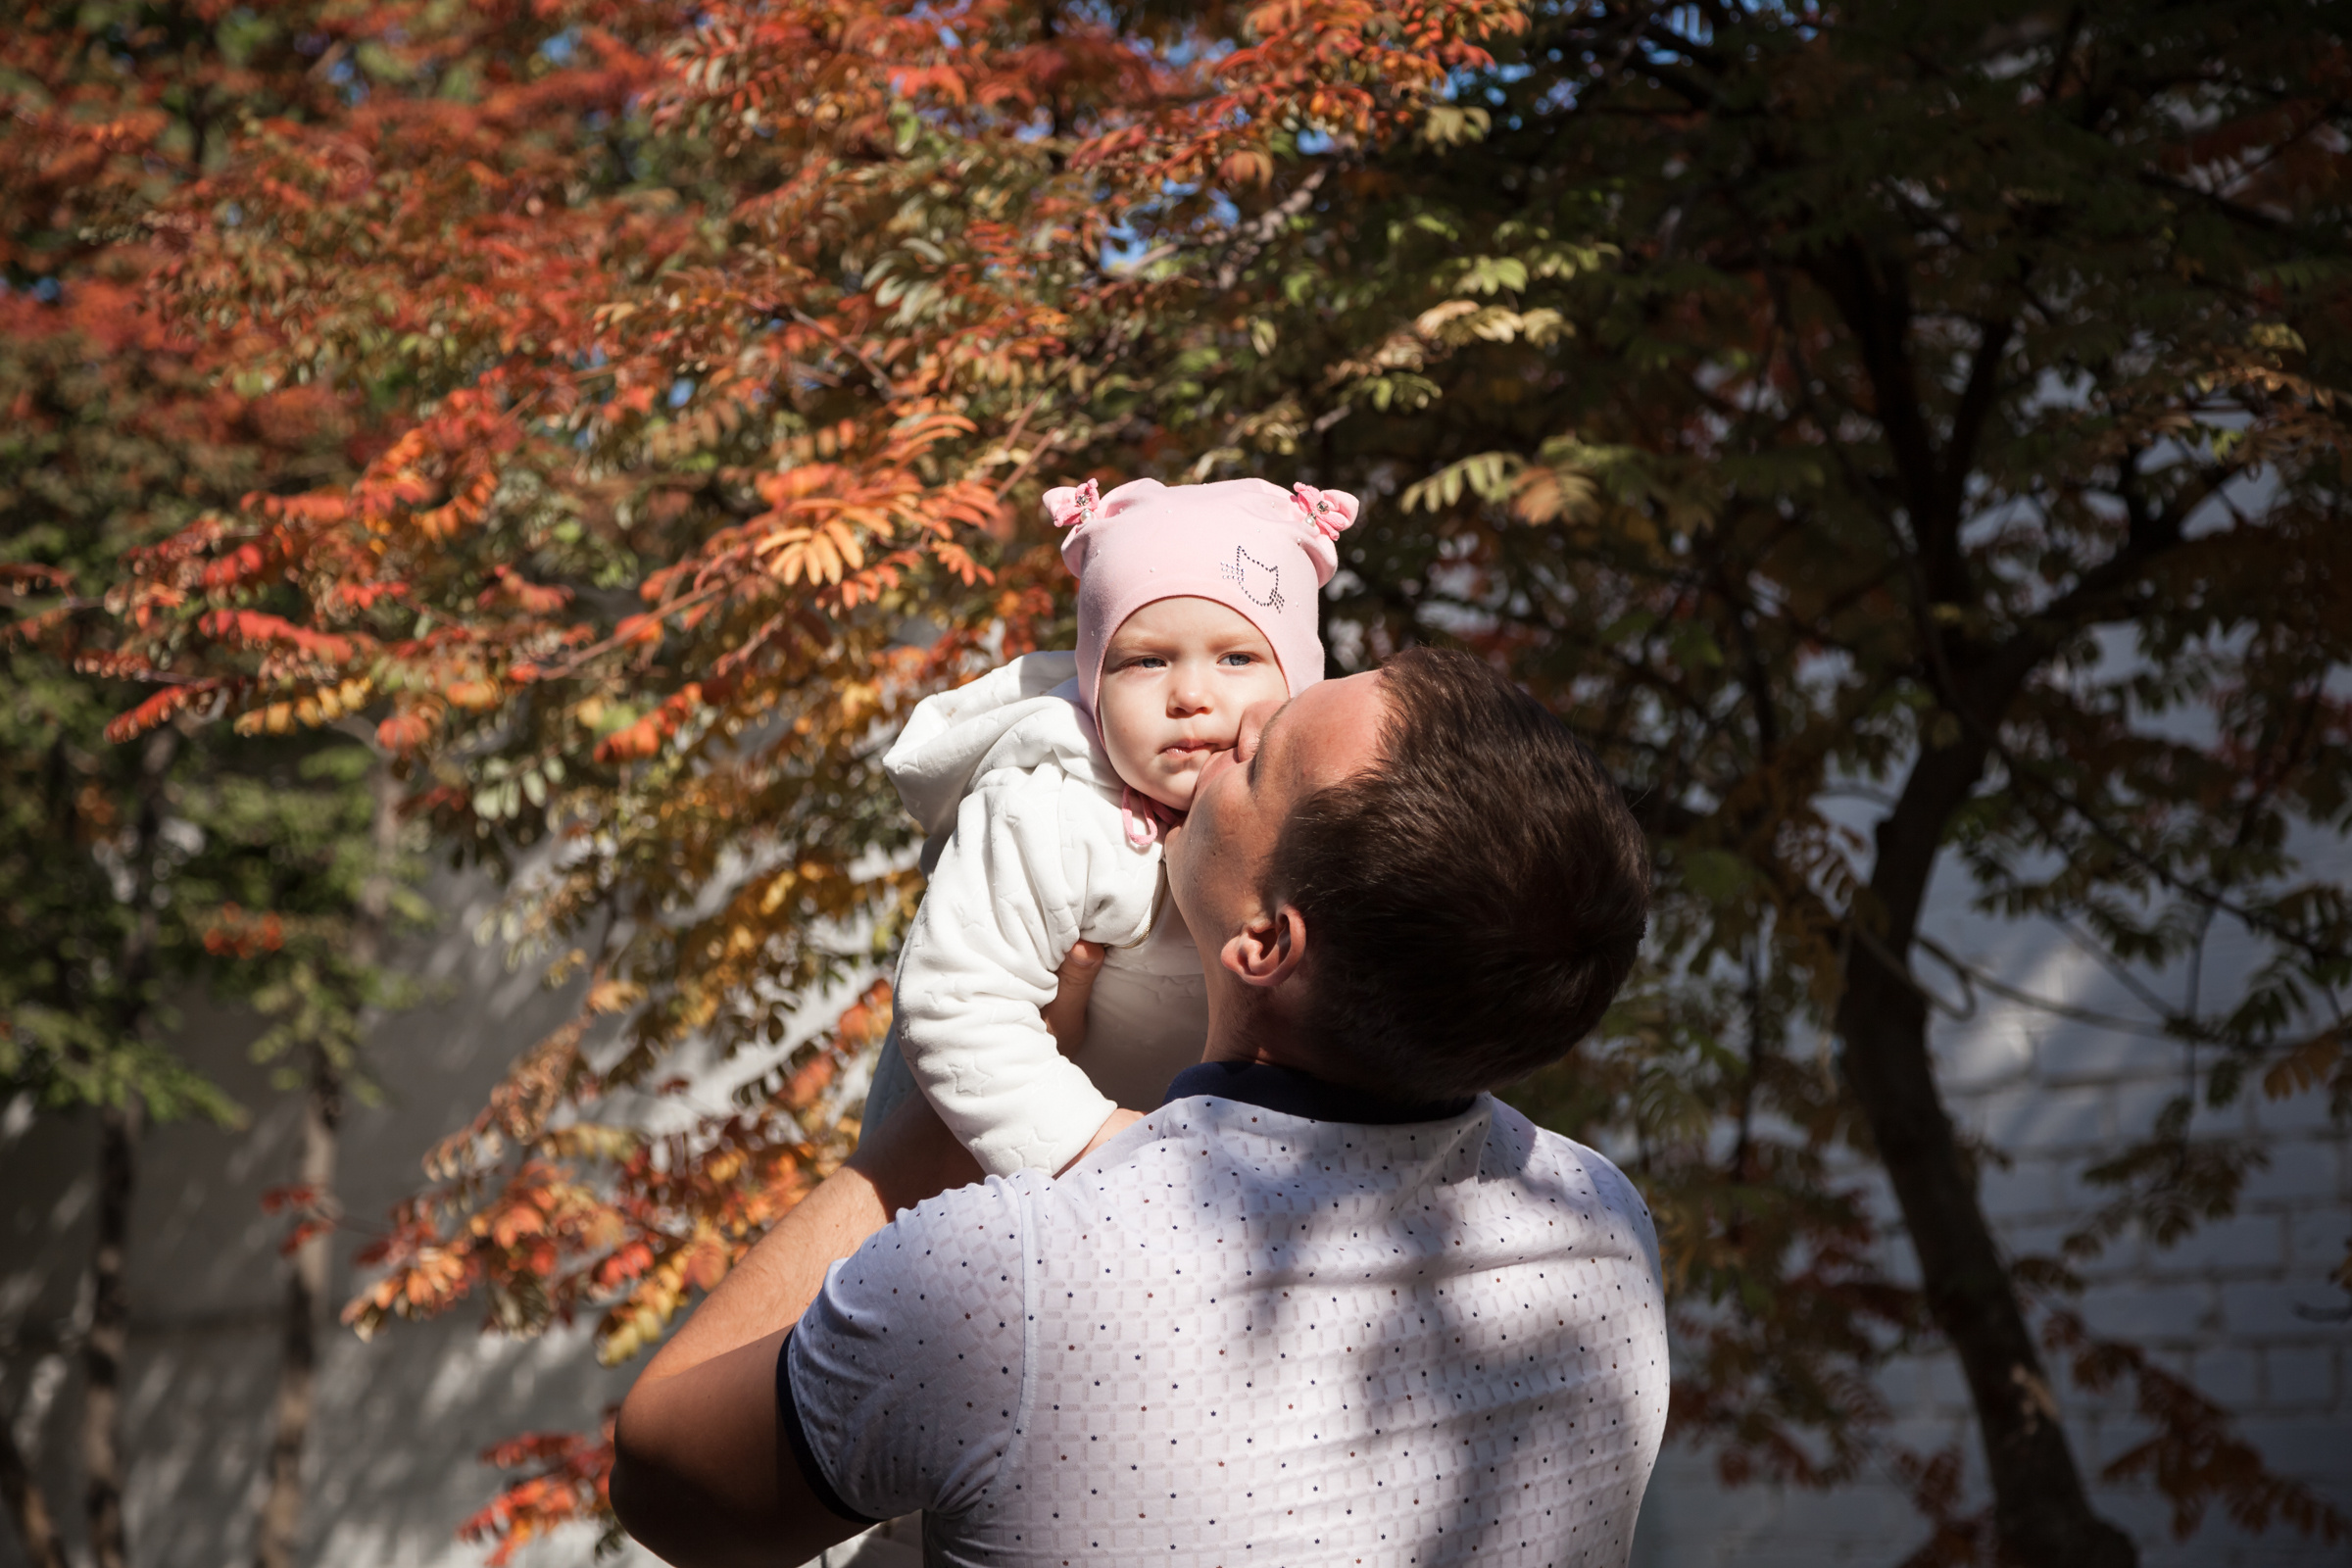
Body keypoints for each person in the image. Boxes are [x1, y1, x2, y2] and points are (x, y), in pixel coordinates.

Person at [612, 647, 1666, 1567]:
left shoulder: (1009, 1280)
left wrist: (971, 1100)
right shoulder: (1601, 1228)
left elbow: (666, 1483)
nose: (1235, 718)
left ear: (1264, 942)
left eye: (1259, 760)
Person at [865, 475, 1358, 1178]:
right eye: (1147, 661)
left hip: (1221, 1163)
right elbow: (955, 1002)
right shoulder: (1051, 807)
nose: (1191, 695)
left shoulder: (1325, 817)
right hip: (1018, 1159)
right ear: (1095, 686)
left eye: (1237, 658)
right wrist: (1100, 1148)